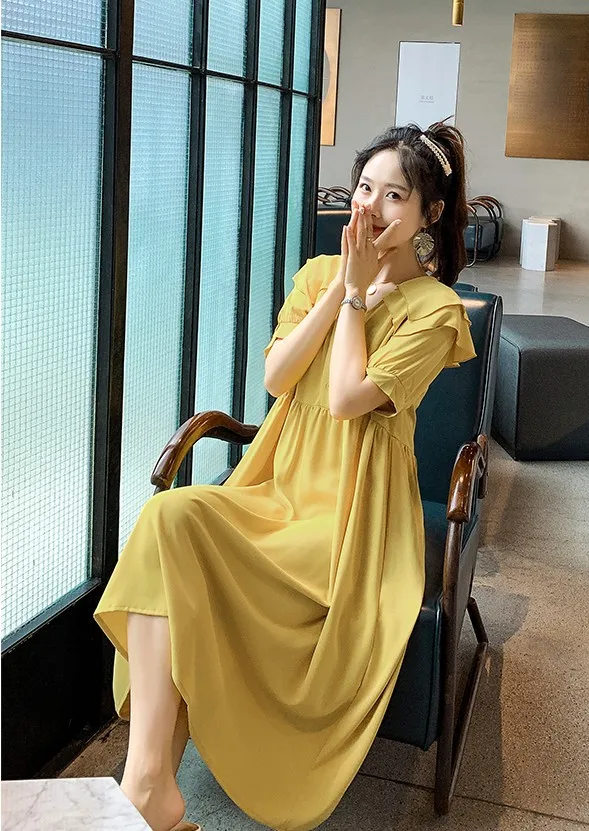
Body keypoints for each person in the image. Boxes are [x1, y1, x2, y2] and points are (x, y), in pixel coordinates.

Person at [94, 121, 477, 831]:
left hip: (353, 515)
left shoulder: (437, 312)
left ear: (429, 214)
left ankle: (146, 790)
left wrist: (358, 296)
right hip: (277, 484)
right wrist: (340, 289)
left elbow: (346, 398)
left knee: (175, 545)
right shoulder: (317, 275)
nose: (370, 207)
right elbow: (276, 378)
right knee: (168, 518)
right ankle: (149, 780)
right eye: (365, 187)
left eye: (394, 196)